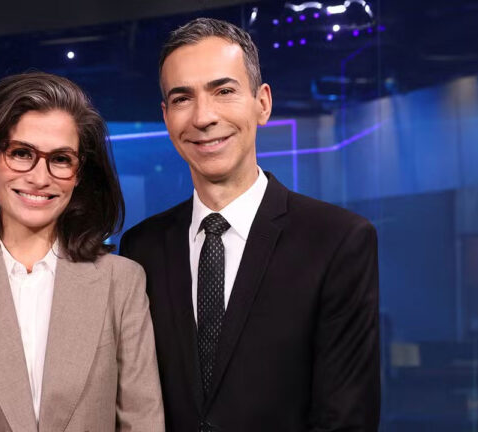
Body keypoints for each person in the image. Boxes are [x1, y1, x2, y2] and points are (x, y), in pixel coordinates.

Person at [120, 18, 380, 431]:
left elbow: (345, 418)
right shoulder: (141, 248)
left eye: (224, 91)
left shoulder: (337, 241)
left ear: (263, 103)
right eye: (183, 99)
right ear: (166, 117)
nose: (203, 117)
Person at [0, 72, 164, 432]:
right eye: (22, 154)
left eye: (61, 159)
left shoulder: (122, 282)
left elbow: (143, 423)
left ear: (79, 173)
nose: (40, 177)